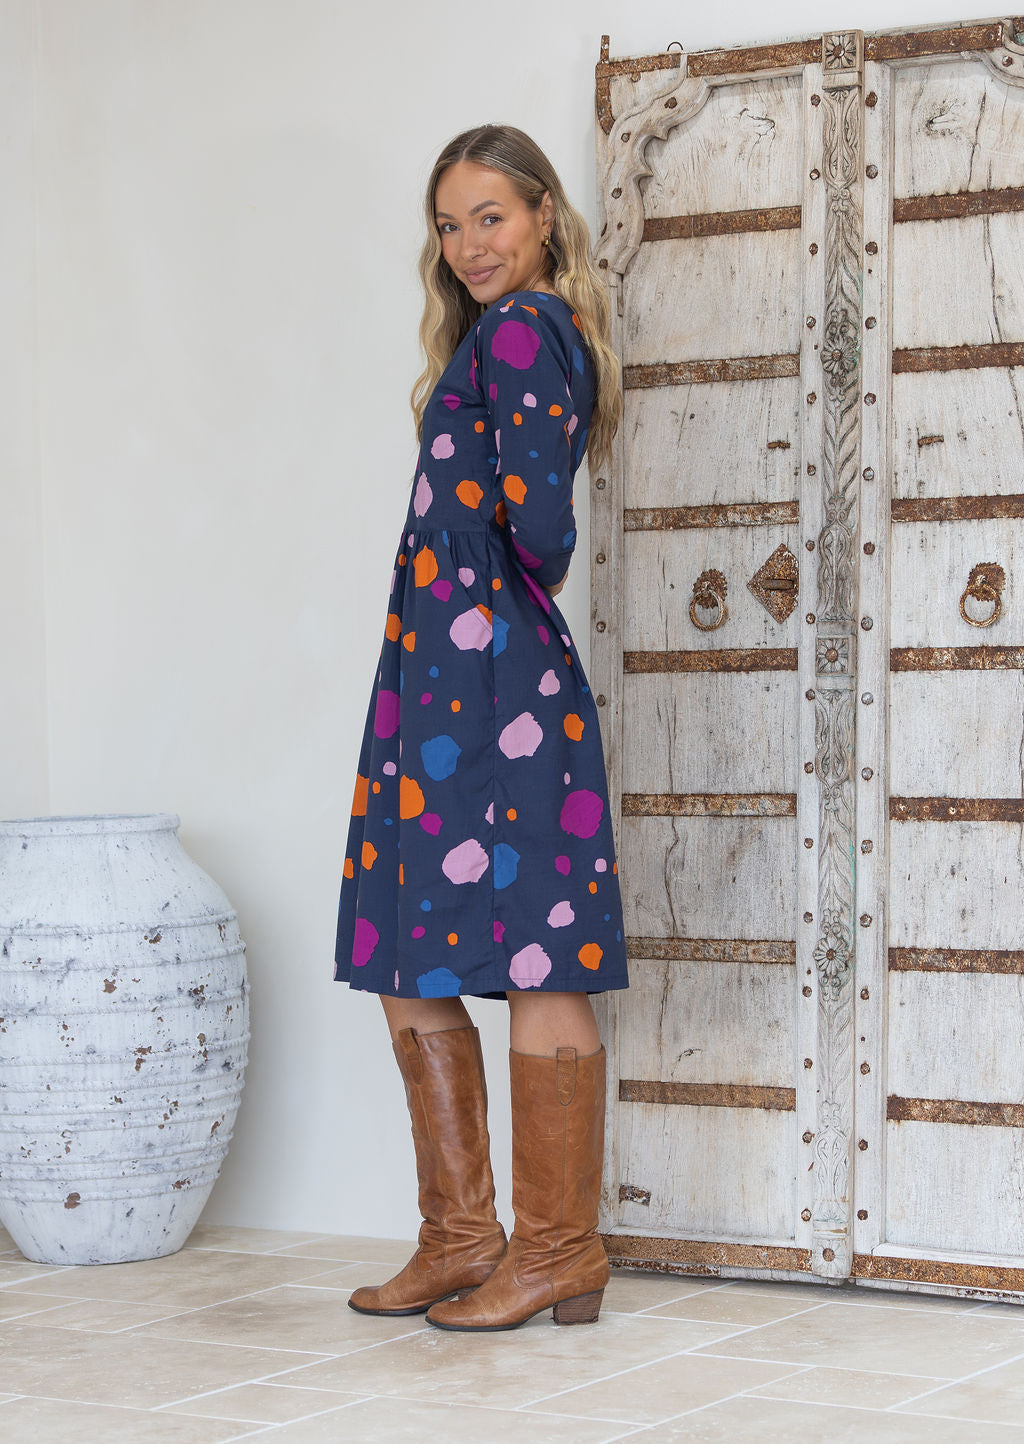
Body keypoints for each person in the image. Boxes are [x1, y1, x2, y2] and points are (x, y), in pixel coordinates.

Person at [334, 124, 629, 1331]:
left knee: (535, 955)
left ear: (544, 217)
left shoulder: (523, 331)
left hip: (494, 682)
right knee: (407, 945)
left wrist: (475, 596)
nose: (467, 246)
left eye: (490, 217)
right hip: (439, 679)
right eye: (449, 225)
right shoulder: (491, 336)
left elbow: (541, 536)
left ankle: (558, 1250)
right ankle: (462, 1237)